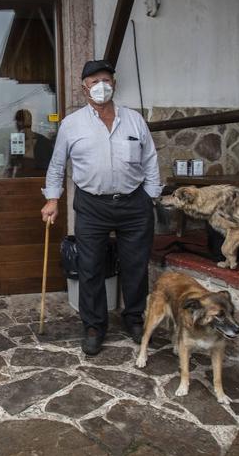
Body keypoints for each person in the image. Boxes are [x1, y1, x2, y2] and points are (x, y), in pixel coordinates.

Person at [41, 60, 162, 356]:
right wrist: (53, 199)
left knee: (135, 266)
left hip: (134, 203)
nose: (100, 86)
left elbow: (150, 160)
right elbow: (58, 165)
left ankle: (134, 319)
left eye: (105, 79)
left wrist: (150, 197)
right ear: (84, 87)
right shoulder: (72, 124)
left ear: (115, 84)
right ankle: (94, 326)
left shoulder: (134, 120)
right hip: (92, 205)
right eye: (94, 81)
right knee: (90, 266)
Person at [6, 109, 53, 177]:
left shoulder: (17, 139)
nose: (15, 125)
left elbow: (11, 166)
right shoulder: (44, 140)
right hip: (42, 180)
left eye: (16, 121)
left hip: (22, 181)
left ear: (19, 122)